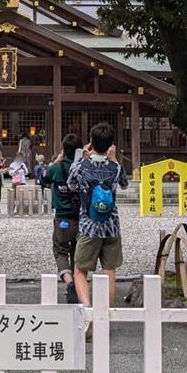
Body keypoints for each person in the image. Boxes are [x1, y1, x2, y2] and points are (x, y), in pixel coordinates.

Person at [68, 122, 128, 314]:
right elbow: (125, 184)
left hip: (89, 225)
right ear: (111, 144)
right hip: (111, 225)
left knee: (80, 270)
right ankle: (106, 314)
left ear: (91, 141)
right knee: (109, 271)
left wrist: (83, 155)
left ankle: (87, 310)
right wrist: (115, 159)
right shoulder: (115, 167)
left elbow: (71, 185)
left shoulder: (82, 167)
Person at [43, 134, 83, 303]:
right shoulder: (82, 168)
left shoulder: (57, 168)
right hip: (80, 217)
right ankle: (78, 283)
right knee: (77, 253)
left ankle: (69, 282)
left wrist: (56, 161)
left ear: (63, 150)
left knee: (60, 251)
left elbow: (43, 178)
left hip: (62, 217)